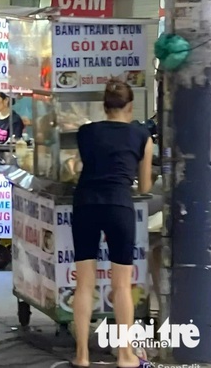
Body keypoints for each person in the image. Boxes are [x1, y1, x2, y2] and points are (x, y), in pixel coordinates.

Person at [70, 79, 153, 368]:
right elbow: (143, 185)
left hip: (85, 204)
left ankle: (81, 356)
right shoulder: (142, 136)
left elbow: (85, 166)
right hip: (119, 205)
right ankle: (126, 355)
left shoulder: (86, 132)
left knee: (84, 284)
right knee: (121, 286)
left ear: (105, 106)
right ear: (130, 107)